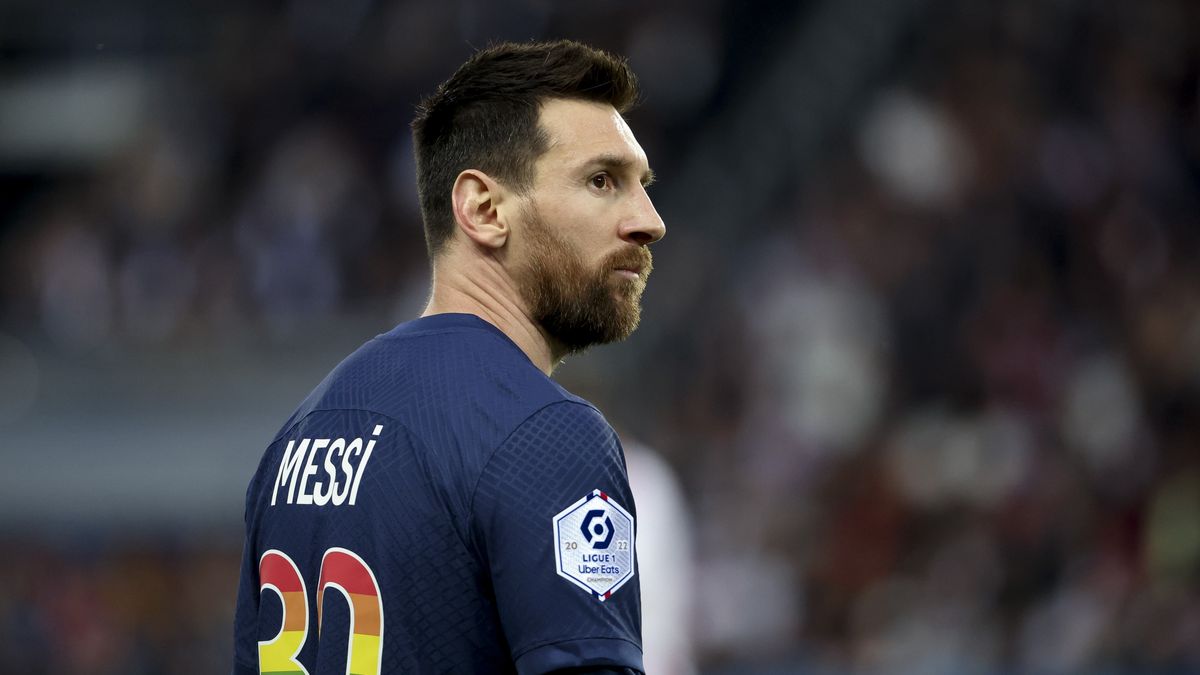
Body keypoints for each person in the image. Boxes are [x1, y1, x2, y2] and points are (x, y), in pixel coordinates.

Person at [232, 39, 666, 675]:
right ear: (483, 209)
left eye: (642, 186)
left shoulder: (296, 439)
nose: (649, 221)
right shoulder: (545, 433)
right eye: (602, 181)